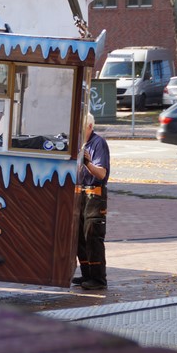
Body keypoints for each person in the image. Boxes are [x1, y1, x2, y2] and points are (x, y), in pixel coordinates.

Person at [73, 112, 110, 291]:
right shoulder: (81, 143)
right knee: (80, 236)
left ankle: (98, 278)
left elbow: (101, 173)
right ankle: (87, 274)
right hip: (80, 193)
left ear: (89, 126)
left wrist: (87, 163)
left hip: (94, 194)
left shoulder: (98, 143)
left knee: (92, 235)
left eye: (81, 128)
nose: (78, 132)